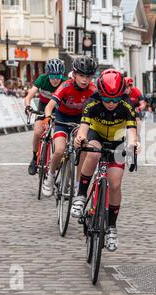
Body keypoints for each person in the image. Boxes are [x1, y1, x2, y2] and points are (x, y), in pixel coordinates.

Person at [71, 69, 140, 252]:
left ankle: (111, 228)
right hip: (96, 136)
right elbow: (84, 127)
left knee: (115, 184)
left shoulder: (127, 106)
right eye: (107, 99)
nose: (111, 103)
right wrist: (80, 138)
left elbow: (132, 132)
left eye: (115, 99)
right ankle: (81, 195)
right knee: (93, 153)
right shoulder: (92, 102)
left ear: (121, 96)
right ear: (100, 94)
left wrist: (134, 144)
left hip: (117, 141)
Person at [41, 56, 98, 197]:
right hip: (62, 118)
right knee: (59, 150)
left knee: (83, 147)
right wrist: (48, 117)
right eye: (81, 76)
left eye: (88, 76)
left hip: (80, 120)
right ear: (74, 74)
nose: (85, 80)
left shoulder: (93, 89)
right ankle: (50, 177)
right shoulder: (66, 86)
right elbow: (49, 107)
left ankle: (77, 183)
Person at [24, 58, 67, 176]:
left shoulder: (65, 82)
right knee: (38, 132)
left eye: (58, 76)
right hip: (43, 108)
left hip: (59, 109)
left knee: (60, 136)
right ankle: (34, 158)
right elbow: (28, 97)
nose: (55, 79)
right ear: (48, 74)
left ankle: (57, 159)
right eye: (52, 76)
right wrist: (28, 107)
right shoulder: (42, 79)